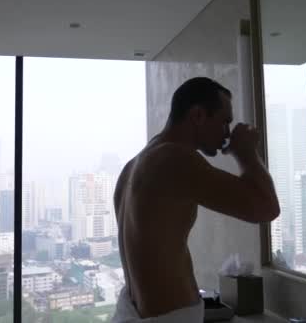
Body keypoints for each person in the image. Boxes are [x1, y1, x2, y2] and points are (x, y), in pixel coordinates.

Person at [112, 77, 280, 322]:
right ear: (198, 115)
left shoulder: (133, 166)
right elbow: (266, 209)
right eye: (224, 121)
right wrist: (247, 154)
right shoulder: (175, 158)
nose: (227, 134)